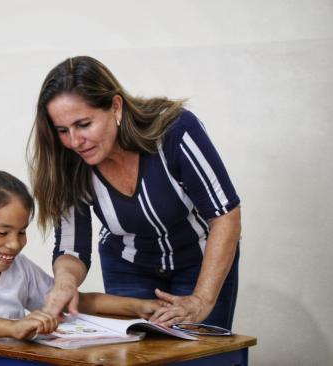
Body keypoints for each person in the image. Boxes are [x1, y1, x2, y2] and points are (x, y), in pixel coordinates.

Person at [28, 56, 241, 330]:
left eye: (83, 124)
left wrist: (201, 299)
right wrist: (65, 284)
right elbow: (72, 248)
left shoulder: (175, 132)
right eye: (62, 130)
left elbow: (225, 215)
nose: (74, 141)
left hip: (199, 261)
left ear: (116, 107)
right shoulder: (69, 162)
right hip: (128, 265)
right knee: (136, 356)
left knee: (196, 357)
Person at [0, 170, 168, 365]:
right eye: (2, 232)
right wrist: (12, 327)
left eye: (22, 232)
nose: (14, 244)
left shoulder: (20, 270)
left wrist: (138, 307)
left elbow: (72, 301)